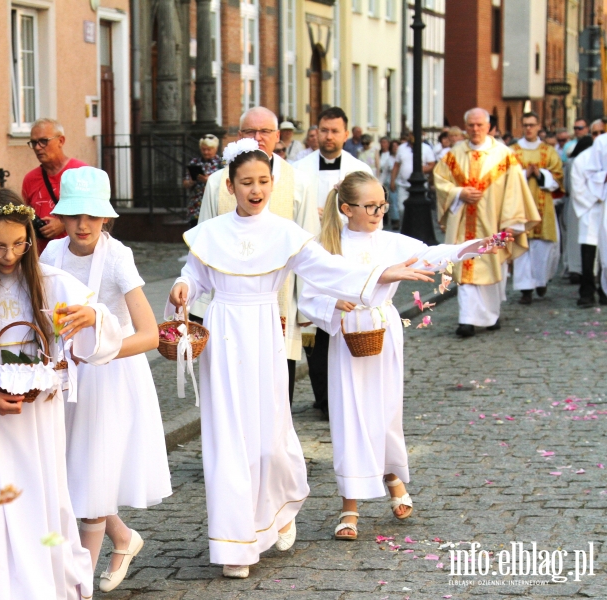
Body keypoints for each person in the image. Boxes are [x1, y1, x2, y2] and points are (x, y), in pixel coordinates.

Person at [166, 139, 437, 579]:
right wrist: (182, 286)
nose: (256, 190)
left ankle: (280, 504)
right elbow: (195, 276)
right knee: (226, 439)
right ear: (230, 187)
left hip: (263, 332)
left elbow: (333, 271)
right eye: (246, 182)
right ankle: (236, 544)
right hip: (223, 335)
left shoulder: (287, 234)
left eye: (263, 181)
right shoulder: (211, 234)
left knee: (269, 436)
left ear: (273, 183)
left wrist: (382, 273)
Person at [0, 189, 123, 599]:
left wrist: (92, 317)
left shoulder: (51, 282)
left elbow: (102, 340)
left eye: (19, 244)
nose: (9, 255)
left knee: (44, 506)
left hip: (40, 421)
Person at [299, 171, 503, 541]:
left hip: (384, 331)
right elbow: (307, 296)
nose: (379, 211)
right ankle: (350, 505)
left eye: (382, 203)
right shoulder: (327, 245)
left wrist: (473, 246)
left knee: (386, 411)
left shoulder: (389, 240)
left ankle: (392, 476)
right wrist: (332, 301)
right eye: (371, 205)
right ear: (346, 208)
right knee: (349, 416)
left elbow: (427, 254)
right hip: (347, 336)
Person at [41, 167, 172, 593]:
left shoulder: (118, 258)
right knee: (71, 475)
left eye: (92, 216)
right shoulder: (49, 256)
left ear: (106, 219)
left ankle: (79, 587)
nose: (82, 225)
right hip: (63, 377)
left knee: (93, 475)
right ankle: (123, 536)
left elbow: (150, 334)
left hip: (109, 378)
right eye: (74, 214)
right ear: (62, 215)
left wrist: (103, 349)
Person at [196, 106, 320, 404]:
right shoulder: (218, 182)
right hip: (228, 308)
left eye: (265, 131)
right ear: (239, 136)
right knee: (232, 391)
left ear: (278, 137)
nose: (257, 137)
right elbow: (202, 247)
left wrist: (307, 310)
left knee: (275, 394)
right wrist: (198, 307)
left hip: (278, 303)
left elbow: (310, 247)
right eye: (250, 131)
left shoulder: (298, 182)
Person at [292, 107, 372, 416]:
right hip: (311, 259)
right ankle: (323, 398)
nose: (328, 136)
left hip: (346, 260)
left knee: (344, 325)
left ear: (346, 134)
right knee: (315, 330)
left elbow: (371, 211)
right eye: (324, 130)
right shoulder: (297, 170)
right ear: (317, 131)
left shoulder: (359, 170)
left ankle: (346, 396)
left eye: (335, 131)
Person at [433, 107, 540, 337]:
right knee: (464, 266)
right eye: (470, 125)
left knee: (493, 268)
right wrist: (459, 193)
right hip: (464, 224)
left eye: (479, 125)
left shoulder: (503, 155)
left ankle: (491, 315)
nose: (475, 129)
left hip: (493, 223)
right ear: (465, 127)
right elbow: (440, 180)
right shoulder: (454, 154)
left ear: (488, 126)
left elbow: (514, 191)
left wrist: (511, 222)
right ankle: (467, 320)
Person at [509, 112, 563, 304]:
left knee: (543, 247)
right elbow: (504, 176)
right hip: (519, 206)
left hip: (543, 205)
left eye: (532, 124)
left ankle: (541, 281)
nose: (529, 128)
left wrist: (540, 175)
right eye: (525, 125)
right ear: (521, 126)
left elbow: (558, 177)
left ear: (538, 125)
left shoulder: (548, 151)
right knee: (522, 247)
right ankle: (525, 290)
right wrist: (525, 173)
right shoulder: (512, 151)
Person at [21, 118, 87, 253]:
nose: (38, 147)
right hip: (41, 256)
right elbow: (25, 214)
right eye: (34, 143)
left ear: (61, 141)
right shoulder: (30, 179)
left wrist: (63, 224)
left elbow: (94, 212)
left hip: (74, 254)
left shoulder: (81, 172)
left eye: (43, 141)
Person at [564, 121, 602, 282]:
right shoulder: (581, 159)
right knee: (587, 249)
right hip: (588, 210)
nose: (599, 137)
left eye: (603, 132)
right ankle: (586, 285)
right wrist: (597, 197)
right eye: (595, 134)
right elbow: (576, 188)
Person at [578, 131, 607, 306]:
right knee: (592, 255)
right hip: (596, 207)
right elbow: (589, 175)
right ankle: (589, 292)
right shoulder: (602, 143)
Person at [390, 130, 436, 221]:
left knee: (418, 209)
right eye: (411, 135)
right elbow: (396, 165)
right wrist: (392, 180)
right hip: (403, 184)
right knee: (401, 208)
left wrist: (423, 169)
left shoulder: (426, 148)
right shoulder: (402, 148)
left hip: (420, 185)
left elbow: (432, 165)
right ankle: (405, 228)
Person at [183, 134, 224, 227]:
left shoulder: (221, 163)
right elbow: (185, 182)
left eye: (209, 149)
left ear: (215, 148)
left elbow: (227, 184)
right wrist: (191, 182)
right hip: (196, 206)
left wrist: (209, 180)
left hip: (214, 205)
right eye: (203, 149)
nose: (206, 152)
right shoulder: (194, 162)